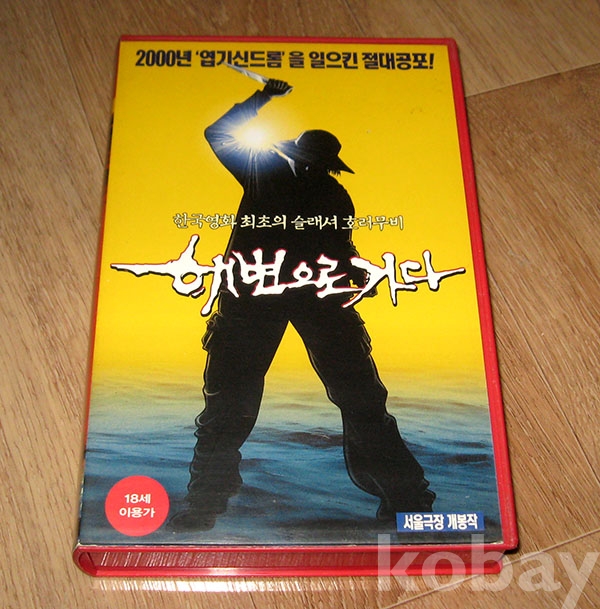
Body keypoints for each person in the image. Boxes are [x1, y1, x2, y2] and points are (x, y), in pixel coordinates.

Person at [169, 79, 434, 530]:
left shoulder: (315, 190)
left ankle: (407, 498)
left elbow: (340, 250)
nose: (315, 170)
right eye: (314, 164)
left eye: (319, 166)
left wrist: (358, 274)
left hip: (301, 300)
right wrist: (262, 98)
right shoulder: (272, 174)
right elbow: (217, 134)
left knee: (361, 401)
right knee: (231, 406)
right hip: (262, 299)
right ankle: (204, 505)